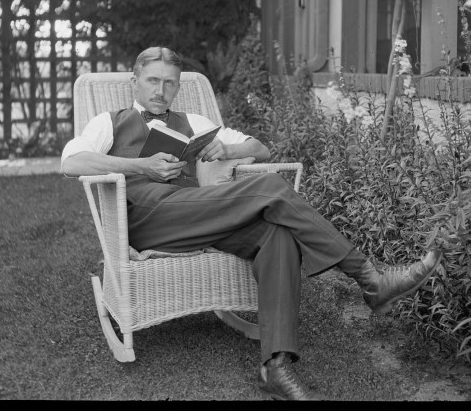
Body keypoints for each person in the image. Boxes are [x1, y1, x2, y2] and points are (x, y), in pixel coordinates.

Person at [61, 46, 442, 401]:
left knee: (277, 235)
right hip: (145, 219)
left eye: (169, 82)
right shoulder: (109, 122)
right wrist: (140, 166)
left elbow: (261, 148)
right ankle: (369, 278)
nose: (161, 90)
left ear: (177, 85)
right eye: (152, 81)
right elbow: (71, 163)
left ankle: (275, 366)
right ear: (135, 81)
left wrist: (228, 149)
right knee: (272, 188)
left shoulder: (191, 121)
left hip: (198, 213)